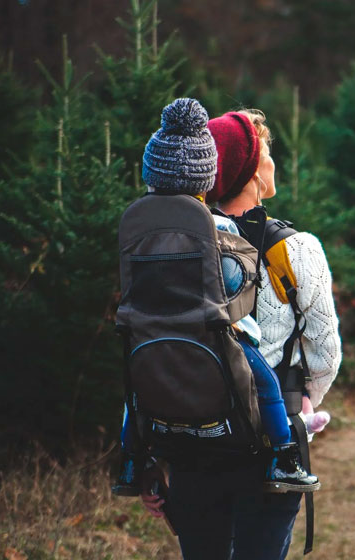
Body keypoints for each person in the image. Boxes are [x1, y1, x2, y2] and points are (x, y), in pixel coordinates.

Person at [141, 106, 342, 559]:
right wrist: (303, 406)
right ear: (251, 170)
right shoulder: (296, 249)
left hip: (193, 442)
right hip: (269, 450)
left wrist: (148, 450)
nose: (273, 161)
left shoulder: (177, 247)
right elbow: (325, 354)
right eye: (267, 151)